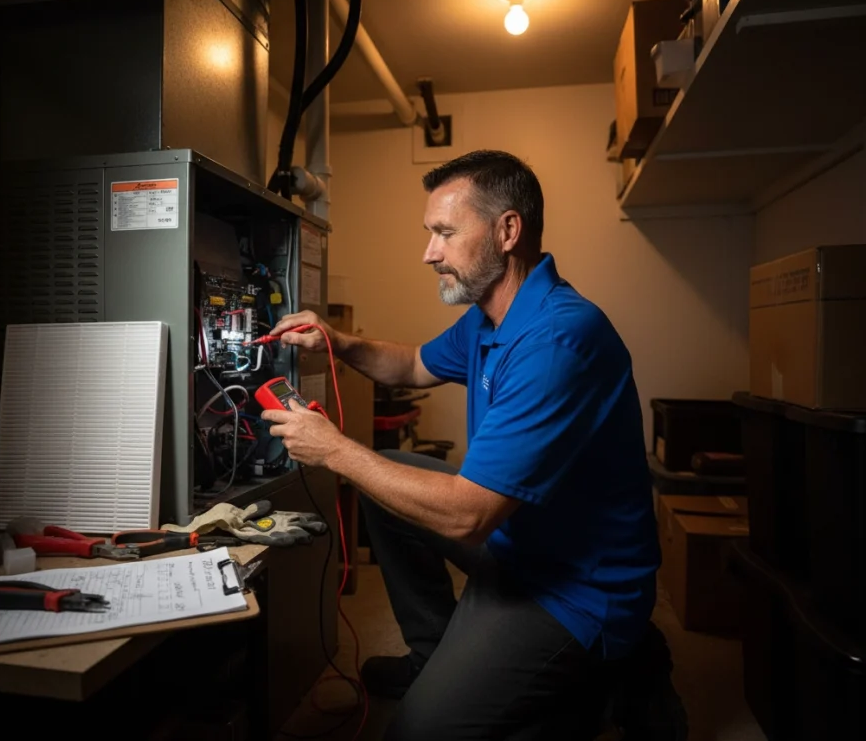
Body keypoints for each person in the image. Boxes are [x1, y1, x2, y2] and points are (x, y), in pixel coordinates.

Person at [260, 149, 663, 740]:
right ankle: (433, 656)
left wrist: (336, 451)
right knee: (384, 478)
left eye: (445, 233)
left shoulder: (558, 340)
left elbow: (466, 516)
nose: (429, 252)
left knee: (416, 733)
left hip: (576, 588)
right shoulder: (491, 315)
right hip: (518, 542)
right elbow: (412, 365)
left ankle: (616, 676)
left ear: (507, 231)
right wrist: (337, 341)